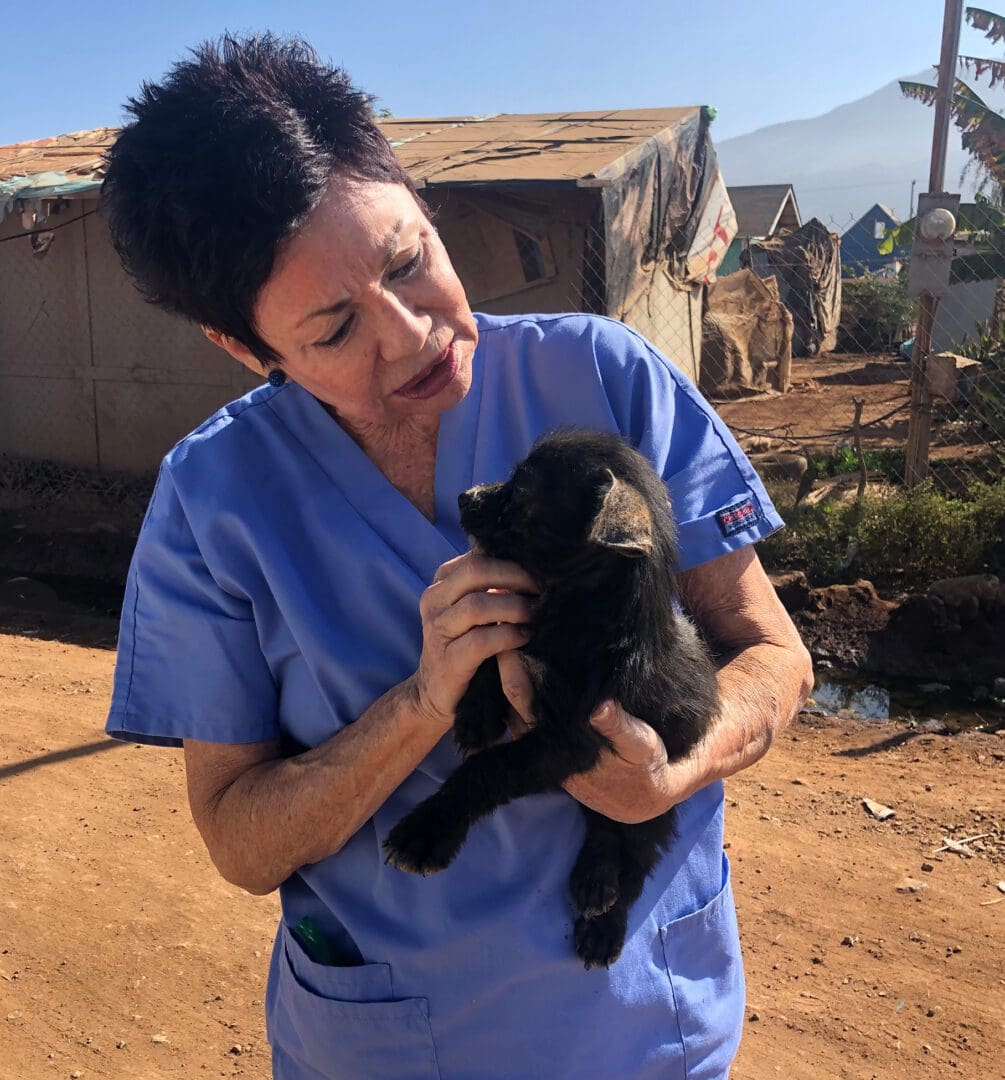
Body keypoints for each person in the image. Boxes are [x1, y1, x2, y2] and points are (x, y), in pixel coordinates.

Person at [103, 34, 813, 1080]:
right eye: (338, 328)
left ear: (418, 195)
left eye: (407, 260)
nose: (415, 337)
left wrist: (680, 769)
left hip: (646, 1028)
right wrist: (420, 706)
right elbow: (237, 840)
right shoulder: (215, 503)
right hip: (394, 1044)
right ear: (248, 351)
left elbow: (772, 651)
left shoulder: (606, 382)